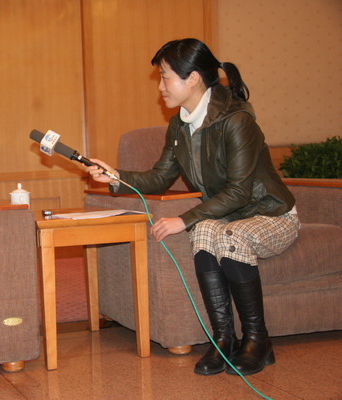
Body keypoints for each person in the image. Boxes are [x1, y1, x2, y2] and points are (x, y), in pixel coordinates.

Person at [86, 38, 300, 376]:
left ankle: (258, 341)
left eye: (165, 77)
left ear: (194, 78)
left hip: (270, 214)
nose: (160, 87)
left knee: (226, 236)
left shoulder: (236, 120)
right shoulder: (180, 124)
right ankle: (223, 339)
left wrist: (183, 219)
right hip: (228, 215)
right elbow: (160, 177)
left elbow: (240, 191)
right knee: (204, 233)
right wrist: (115, 176)